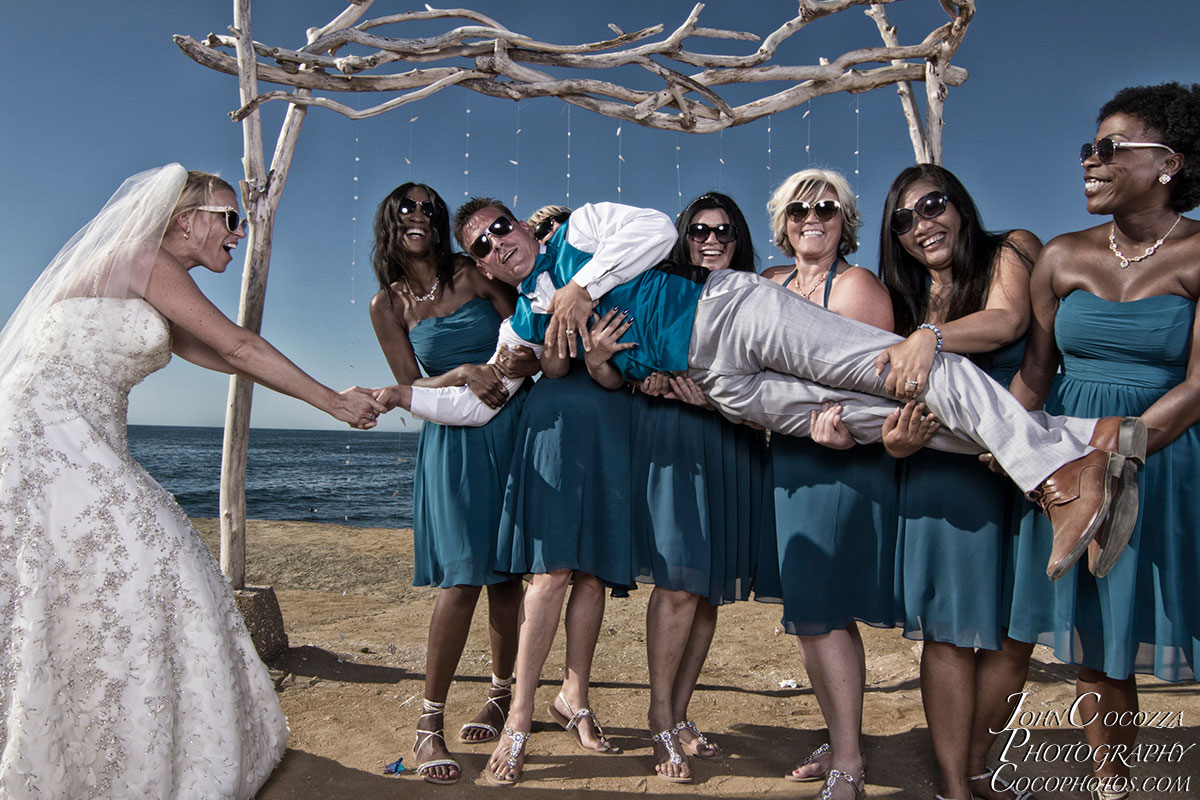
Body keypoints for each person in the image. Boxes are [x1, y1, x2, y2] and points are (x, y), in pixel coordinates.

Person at [376, 196, 1145, 589]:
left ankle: (1055, 479)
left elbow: (651, 231)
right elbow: (482, 402)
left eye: (501, 226)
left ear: (521, 224)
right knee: (879, 417)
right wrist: (398, 398)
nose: (496, 243)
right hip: (718, 385)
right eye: (479, 245)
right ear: (478, 264)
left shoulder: (581, 227)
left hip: (730, 314)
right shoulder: (518, 322)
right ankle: (1084, 438)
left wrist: (579, 287)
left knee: (895, 367)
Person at [0, 164, 384, 798]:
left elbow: (226, 354)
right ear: (187, 220)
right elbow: (236, 347)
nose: (242, 233)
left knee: (91, 576)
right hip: (47, 434)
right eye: (232, 219)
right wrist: (334, 404)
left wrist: (327, 393)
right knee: (153, 555)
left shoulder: (151, 281)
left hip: (80, 437)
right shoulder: (144, 259)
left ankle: (101, 743)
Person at [1006, 82, 1200, 800]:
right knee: (1097, 636)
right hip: (1069, 456)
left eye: (1110, 148)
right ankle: (1111, 783)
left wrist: (1120, 449)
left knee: (1186, 610)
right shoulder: (1059, 256)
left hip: (1172, 458)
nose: (1090, 159)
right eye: (1089, 147)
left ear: (1169, 163)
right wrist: (1004, 453)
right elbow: (1034, 373)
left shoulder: (1199, 253)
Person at [878, 164, 1041, 800]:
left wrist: (931, 335)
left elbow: (1006, 322)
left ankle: (980, 762)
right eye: (905, 220)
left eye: (934, 205)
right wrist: (896, 445)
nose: (923, 225)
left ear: (961, 206)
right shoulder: (903, 300)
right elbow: (886, 401)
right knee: (948, 631)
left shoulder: (1012, 249)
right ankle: (955, 784)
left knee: (1014, 631)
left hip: (1018, 464)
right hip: (942, 475)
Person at [368, 183, 539, 784]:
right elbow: (411, 388)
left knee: (507, 573)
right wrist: (465, 370)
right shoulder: (385, 306)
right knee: (462, 577)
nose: (418, 216)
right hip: (453, 441)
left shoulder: (473, 273)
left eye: (428, 209)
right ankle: (429, 723)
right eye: (405, 209)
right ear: (391, 223)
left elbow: (531, 331)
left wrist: (520, 364)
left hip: (515, 427)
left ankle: (499, 694)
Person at [757, 168, 894, 800]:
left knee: (823, 610)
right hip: (784, 460)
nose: (812, 218)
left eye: (827, 209)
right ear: (782, 223)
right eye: (799, 210)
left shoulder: (860, 286)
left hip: (840, 460)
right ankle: (842, 734)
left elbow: (874, 386)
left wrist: (844, 434)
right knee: (808, 611)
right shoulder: (765, 284)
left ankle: (849, 760)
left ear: (846, 221)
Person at [485, 206, 630, 786]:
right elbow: (536, 365)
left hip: (613, 428)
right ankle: (518, 718)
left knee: (592, 574)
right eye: (540, 229)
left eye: (555, 230)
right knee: (550, 575)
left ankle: (574, 696)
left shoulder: (613, 276)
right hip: (555, 429)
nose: (547, 240)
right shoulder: (531, 303)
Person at [630, 192, 771, 783]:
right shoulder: (656, 286)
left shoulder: (755, 294)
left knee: (710, 588)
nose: (710, 240)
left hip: (731, 441)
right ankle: (659, 715)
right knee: (681, 580)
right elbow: (620, 356)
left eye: (723, 231)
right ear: (683, 236)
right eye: (699, 230)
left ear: (738, 239)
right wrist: (650, 380)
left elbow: (775, 369)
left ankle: (681, 712)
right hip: (672, 438)